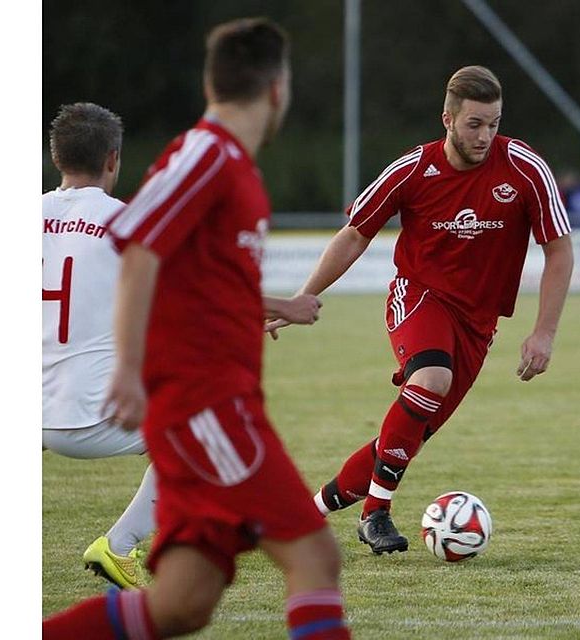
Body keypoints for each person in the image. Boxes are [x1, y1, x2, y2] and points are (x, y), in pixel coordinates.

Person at [44, 18, 351, 639]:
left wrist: (274, 310)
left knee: (182, 605)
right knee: (316, 559)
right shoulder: (207, 154)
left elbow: (196, 284)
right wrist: (130, 369)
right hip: (208, 411)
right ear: (277, 89)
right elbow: (139, 245)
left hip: (218, 404)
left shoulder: (231, 163)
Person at [267, 65, 574, 555]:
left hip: (478, 324)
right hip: (419, 295)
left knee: (404, 438)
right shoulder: (412, 169)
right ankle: (376, 514)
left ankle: (306, 515)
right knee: (430, 381)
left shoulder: (524, 169)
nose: (485, 136)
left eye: (494, 123)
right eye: (474, 124)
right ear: (447, 120)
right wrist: (304, 295)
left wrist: (545, 333)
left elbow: (559, 249)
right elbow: (355, 234)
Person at [43, 102, 155, 590]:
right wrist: (283, 305)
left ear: (56, 158)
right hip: (85, 415)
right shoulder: (124, 222)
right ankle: (119, 546)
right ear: (113, 159)